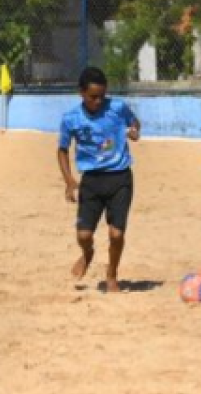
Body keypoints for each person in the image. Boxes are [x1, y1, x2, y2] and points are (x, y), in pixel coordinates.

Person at [57, 66, 141, 293]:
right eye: (93, 97)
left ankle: (112, 274)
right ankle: (88, 253)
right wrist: (69, 181)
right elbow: (62, 150)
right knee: (84, 235)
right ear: (81, 93)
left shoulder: (118, 108)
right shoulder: (71, 119)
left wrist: (134, 130)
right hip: (91, 181)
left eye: (102, 96)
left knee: (117, 234)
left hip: (120, 177)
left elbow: (134, 122)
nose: (98, 101)